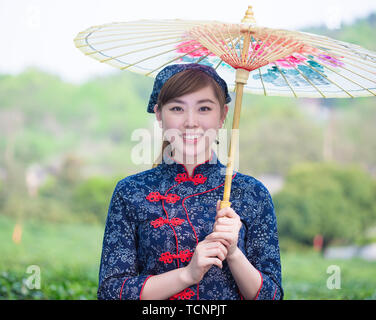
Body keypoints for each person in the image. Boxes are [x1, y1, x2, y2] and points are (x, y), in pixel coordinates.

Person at [97, 63, 283, 300]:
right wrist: (187, 274)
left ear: (222, 116)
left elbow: (273, 296)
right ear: (159, 115)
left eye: (204, 108)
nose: (191, 122)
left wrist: (234, 252)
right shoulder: (131, 192)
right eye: (177, 108)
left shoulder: (251, 193)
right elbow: (110, 293)